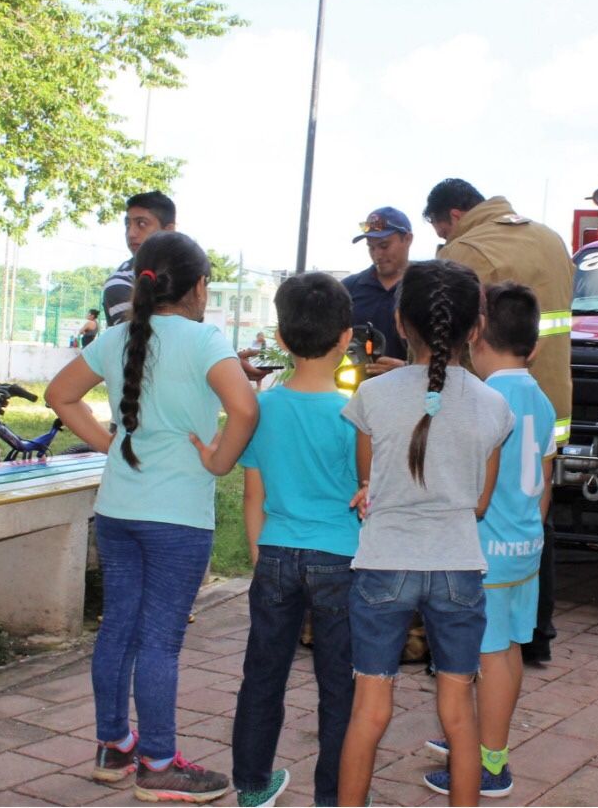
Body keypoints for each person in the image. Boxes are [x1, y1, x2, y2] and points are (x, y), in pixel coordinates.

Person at [46, 232, 258, 802]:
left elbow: (59, 394)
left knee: (118, 629)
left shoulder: (115, 338)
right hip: (178, 518)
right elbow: (245, 408)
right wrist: (217, 460)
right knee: (160, 641)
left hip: (118, 509)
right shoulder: (206, 339)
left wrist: (104, 443)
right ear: (199, 287)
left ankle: (114, 747)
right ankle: (159, 762)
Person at [337, 260, 513, 807]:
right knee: (459, 714)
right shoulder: (494, 406)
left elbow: (366, 478)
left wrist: (379, 493)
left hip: (383, 563)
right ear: (476, 328)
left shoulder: (374, 395)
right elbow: (480, 501)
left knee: (369, 709)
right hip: (459, 567)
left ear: (399, 322)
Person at [426, 178, 574, 665]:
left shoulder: (466, 250)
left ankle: (466, 640)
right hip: (546, 398)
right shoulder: (551, 239)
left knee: (487, 506)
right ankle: (534, 633)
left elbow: (439, 335)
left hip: (487, 402)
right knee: (530, 511)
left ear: (451, 216)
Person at [421, 282, 555, 799]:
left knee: (489, 658)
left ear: (474, 334)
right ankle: (478, 743)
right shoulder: (540, 400)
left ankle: (489, 764)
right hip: (524, 551)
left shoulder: (481, 399)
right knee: (509, 651)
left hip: (487, 554)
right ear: (534, 346)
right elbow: (544, 482)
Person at [231, 273, 359, 808]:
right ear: (347, 338)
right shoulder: (357, 414)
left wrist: (263, 555)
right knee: (341, 686)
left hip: (277, 554)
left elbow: (252, 495)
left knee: (263, 674)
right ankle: (336, 795)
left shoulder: (264, 408)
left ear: (280, 340)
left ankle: (253, 787)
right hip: (342, 560)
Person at [342, 206, 413, 373]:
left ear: (408, 239)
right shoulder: (348, 289)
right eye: (371, 247)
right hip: (357, 393)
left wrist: (406, 369)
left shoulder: (428, 288)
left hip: (414, 394)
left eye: (384, 245)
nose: (377, 254)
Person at [103, 191, 176, 327]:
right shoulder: (120, 283)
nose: (130, 234)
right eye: (127, 225)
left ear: (168, 230)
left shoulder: (187, 272)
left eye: (141, 224)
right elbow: (138, 339)